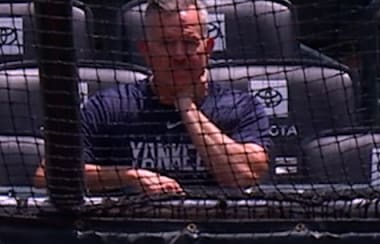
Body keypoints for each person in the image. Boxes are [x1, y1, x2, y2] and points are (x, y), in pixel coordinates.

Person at [33, 0, 272, 195]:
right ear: (146, 51)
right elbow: (48, 175)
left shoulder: (242, 106)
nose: (179, 55)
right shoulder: (110, 106)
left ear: (208, 47)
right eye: (167, 43)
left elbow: (244, 175)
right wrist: (129, 176)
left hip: (213, 238)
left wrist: (186, 107)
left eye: (189, 43)